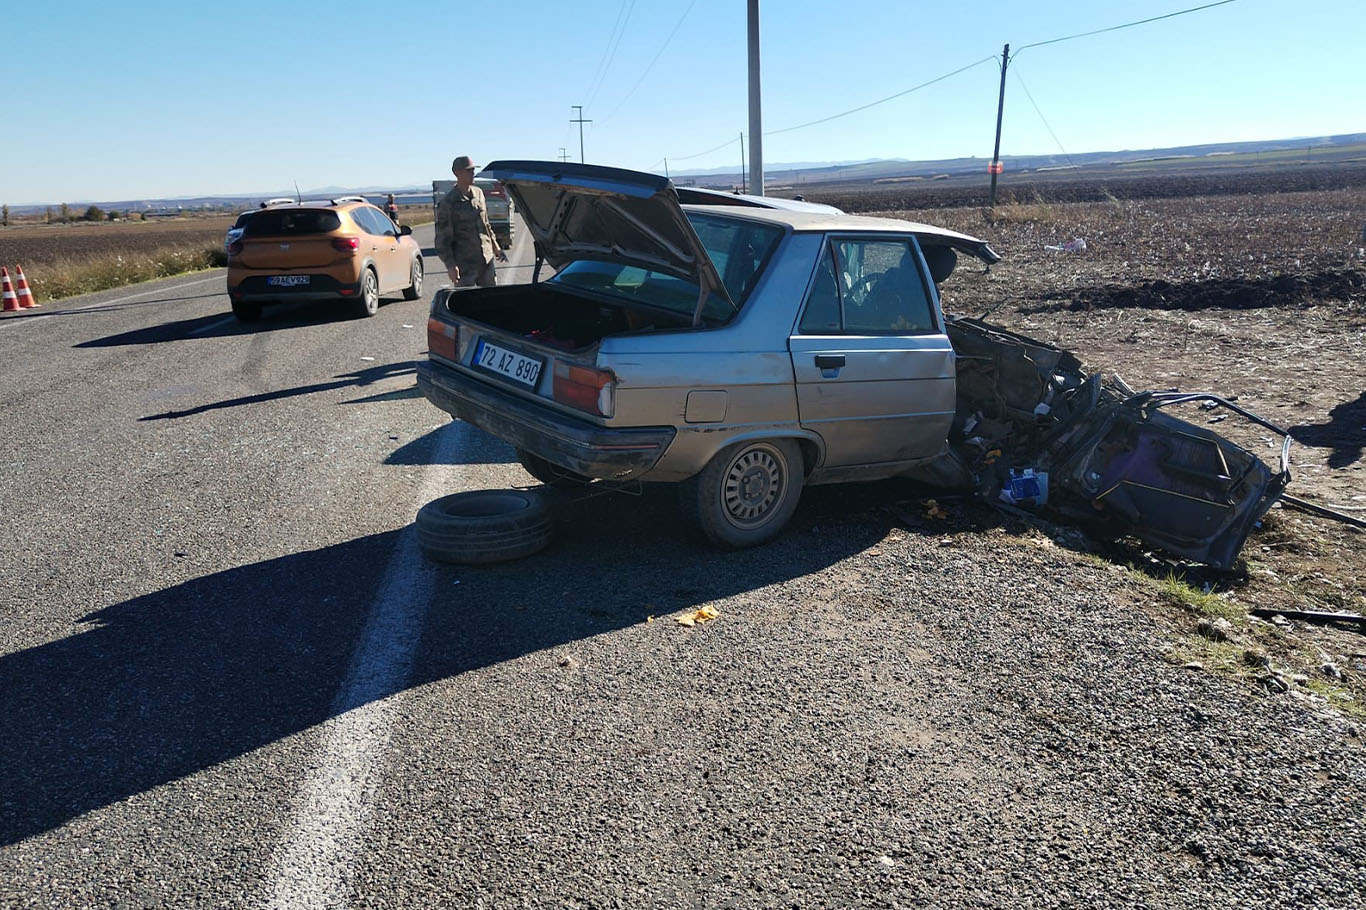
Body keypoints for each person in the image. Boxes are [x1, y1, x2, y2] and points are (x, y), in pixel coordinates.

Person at [434, 155, 507, 287]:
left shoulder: (478, 193)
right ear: (457, 173)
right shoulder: (448, 203)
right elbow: (442, 239)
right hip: (465, 264)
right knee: (466, 302)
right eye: (469, 171)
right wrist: (450, 265)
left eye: (473, 170)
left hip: (486, 259)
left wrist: (496, 247)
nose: (473, 174)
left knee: (491, 299)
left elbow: (486, 224)